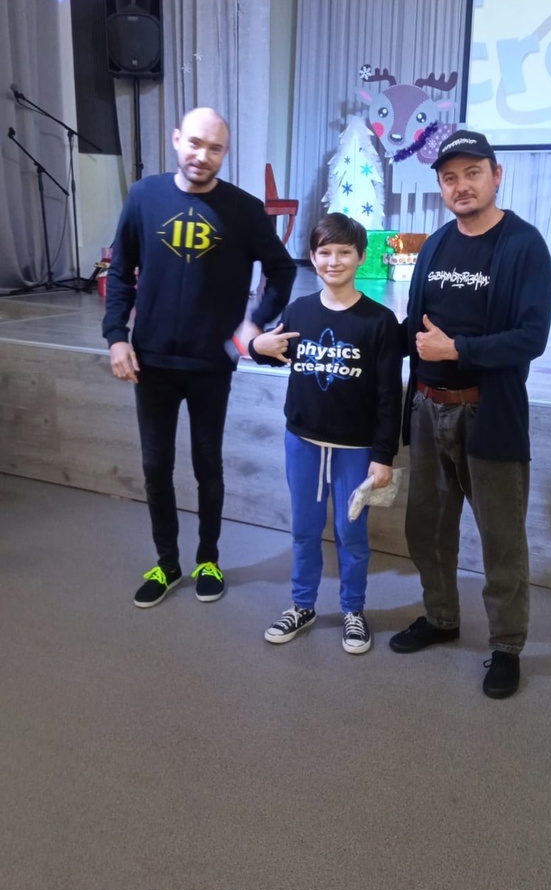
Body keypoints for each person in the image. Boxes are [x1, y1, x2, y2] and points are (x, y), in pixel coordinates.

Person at [102, 107, 296, 609]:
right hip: (151, 361)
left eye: (214, 148)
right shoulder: (144, 196)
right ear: (176, 140)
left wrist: (254, 322)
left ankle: (208, 558)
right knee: (155, 467)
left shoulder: (244, 209)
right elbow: (120, 272)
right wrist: (116, 337)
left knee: (208, 465)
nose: (202, 156)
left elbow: (281, 270)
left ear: (225, 153)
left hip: (212, 362)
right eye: (194, 143)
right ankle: (167, 563)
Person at [390, 130, 551, 698]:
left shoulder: (523, 245)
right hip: (427, 408)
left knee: (500, 537)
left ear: (496, 175)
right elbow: (415, 328)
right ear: (441, 186)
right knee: (428, 528)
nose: (461, 186)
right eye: (450, 178)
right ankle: (441, 617)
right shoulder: (436, 245)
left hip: (489, 413)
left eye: (473, 173)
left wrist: (456, 349)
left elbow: (531, 337)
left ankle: (506, 646)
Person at [250, 213, 403, 654]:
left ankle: (353, 610)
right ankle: (303, 605)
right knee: (304, 529)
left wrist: (383, 455)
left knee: (351, 533)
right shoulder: (299, 310)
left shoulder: (379, 321)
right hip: (303, 442)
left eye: (344, 252)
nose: (334, 261)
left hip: (356, 449)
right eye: (325, 252)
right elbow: (272, 351)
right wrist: (257, 346)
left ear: (361, 257)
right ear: (313, 257)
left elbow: (389, 396)